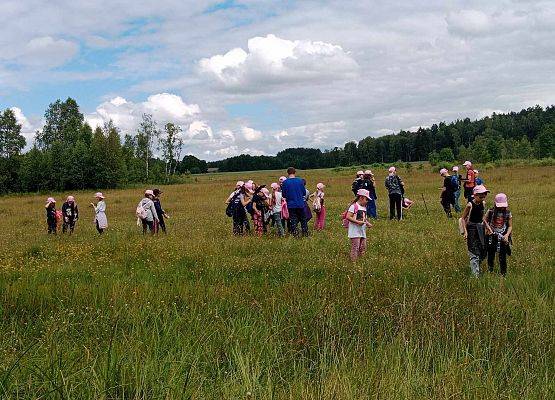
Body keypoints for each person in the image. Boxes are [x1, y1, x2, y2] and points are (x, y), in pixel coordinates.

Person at [460, 185, 489, 277]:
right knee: (473, 251)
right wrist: (465, 232)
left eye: (484, 195)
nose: (482, 198)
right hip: (471, 229)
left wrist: (488, 227)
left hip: (480, 228)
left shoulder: (483, 203)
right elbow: (463, 219)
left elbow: (482, 217)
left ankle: (477, 267)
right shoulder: (470, 205)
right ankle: (475, 275)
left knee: (483, 250)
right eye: (480, 196)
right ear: (475, 195)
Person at [485, 193, 513, 275]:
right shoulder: (490, 211)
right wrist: (488, 229)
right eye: (499, 206)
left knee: (503, 255)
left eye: (503, 206)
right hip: (491, 236)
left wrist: (507, 235)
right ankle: (490, 271)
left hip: (503, 236)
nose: (501, 207)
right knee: (491, 254)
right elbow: (484, 220)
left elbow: (510, 226)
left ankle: (503, 274)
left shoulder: (508, 213)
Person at [346, 189, 373, 261]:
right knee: (355, 247)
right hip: (355, 232)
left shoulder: (364, 207)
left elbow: (363, 219)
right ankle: (353, 262)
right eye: (366, 199)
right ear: (361, 197)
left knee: (363, 247)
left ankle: (362, 261)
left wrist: (367, 223)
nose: (367, 201)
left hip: (362, 231)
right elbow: (348, 216)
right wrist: (357, 222)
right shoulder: (354, 206)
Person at [281, 167, 309, 237]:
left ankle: (295, 234)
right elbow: (304, 193)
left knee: (293, 219)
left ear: (287, 173)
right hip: (300, 203)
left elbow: (283, 194)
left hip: (291, 204)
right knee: (303, 219)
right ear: (295, 172)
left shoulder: (285, 182)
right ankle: (305, 233)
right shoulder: (300, 181)